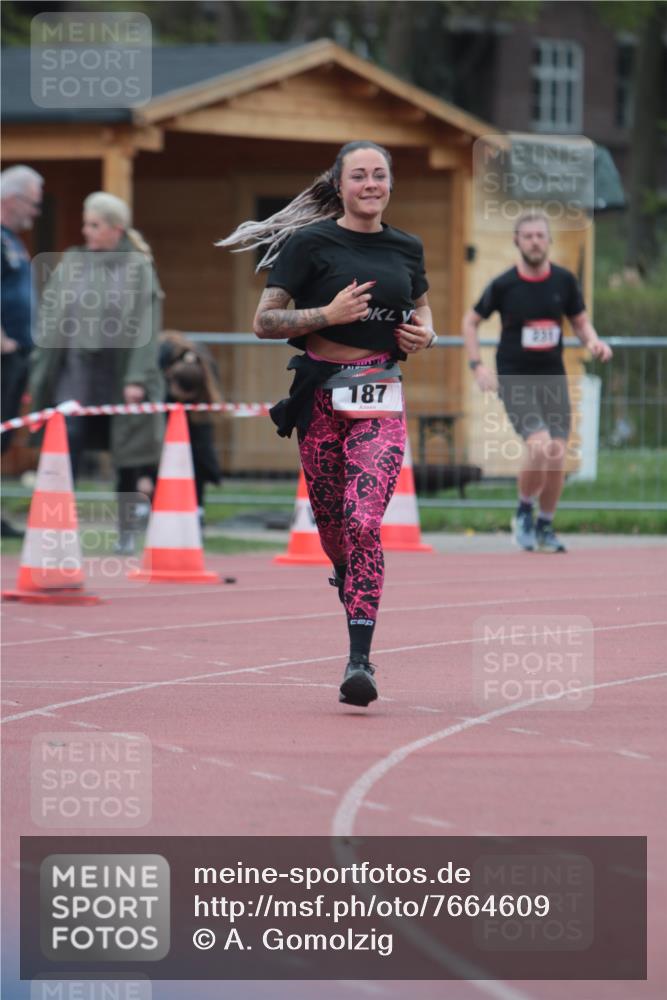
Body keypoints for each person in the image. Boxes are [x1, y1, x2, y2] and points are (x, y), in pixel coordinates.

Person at [219, 140, 436, 708]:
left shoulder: (407, 247)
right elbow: (265, 320)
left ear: (390, 184)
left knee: (364, 520)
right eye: (359, 176)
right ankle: (344, 572)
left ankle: (359, 660)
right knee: (334, 529)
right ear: (338, 185)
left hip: (381, 396)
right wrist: (326, 316)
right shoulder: (308, 243)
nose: (371, 184)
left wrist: (426, 333)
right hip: (319, 399)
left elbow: (422, 305)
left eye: (380, 175)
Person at [462, 210, 612, 553]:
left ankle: (545, 524)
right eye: (527, 236)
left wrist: (594, 342)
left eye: (540, 235)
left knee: (557, 452)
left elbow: (580, 322)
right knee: (540, 444)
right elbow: (470, 322)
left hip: (552, 376)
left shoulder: (563, 281)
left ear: (549, 240)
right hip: (515, 375)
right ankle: (524, 511)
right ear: (517, 241)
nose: (534, 241)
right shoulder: (503, 284)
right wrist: (477, 367)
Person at [29, 191, 165, 554]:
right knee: (65, 442)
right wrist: (40, 372)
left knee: (127, 455)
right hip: (74, 372)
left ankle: (126, 531)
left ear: (115, 229)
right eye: (86, 224)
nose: (87, 231)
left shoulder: (137, 267)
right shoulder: (73, 262)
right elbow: (51, 312)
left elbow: (145, 326)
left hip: (119, 373)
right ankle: (60, 528)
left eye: (95, 225)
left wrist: (137, 377)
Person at [1, 165, 44, 538]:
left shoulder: (13, 240)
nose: (35, 213)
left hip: (17, 355)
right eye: (32, 204)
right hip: (3, 353)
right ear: (11, 200)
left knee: (4, 433)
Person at [159, 330, 223, 525]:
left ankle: (197, 510)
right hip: (162, 409)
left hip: (197, 415)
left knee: (199, 453)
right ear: (169, 378)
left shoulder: (207, 370)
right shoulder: (160, 359)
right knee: (162, 451)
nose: (181, 402)